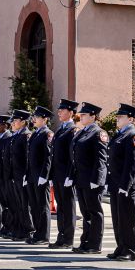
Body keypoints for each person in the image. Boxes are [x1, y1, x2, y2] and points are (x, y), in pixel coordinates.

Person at [106, 103, 135, 262]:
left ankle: (131, 250)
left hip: (130, 185)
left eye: (120, 117)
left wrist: (125, 186)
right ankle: (121, 247)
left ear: (130, 119)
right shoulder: (119, 134)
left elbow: (133, 164)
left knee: (129, 219)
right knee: (118, 218)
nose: (117, 119)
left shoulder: (134, 136)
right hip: (118, 184)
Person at [68, 102, 108, 254]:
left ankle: (94, 244)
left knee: (94, 212)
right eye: (81, 114)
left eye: (84, 115)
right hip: (81, 178)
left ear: (93, 116)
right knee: (85, 212)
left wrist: (97, 180)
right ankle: (85, 241)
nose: (81, 117)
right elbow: (75, 156)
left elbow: (101, 159)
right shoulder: (81, 132)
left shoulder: (98, 133)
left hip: (91, 180)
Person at [49, 99, 79, 249]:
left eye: (63, 110)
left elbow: (72, 157)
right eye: (59, 110)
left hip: (66, 175)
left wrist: (70, 175)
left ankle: (68, 238)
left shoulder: (72, 130)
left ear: (71, 113)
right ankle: (61, 236)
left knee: (68, 207)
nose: (59, 112)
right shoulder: (60, 129)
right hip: (58, 175)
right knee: (60, 208)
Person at [25, 106, 53, 245]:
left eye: (36, 117)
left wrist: (45, 175)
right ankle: (37, 232)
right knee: (35, 205)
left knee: (42, 206)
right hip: (32, 175)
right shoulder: (36, 133)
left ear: (44, 119)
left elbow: (48, 157)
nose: (34, 119)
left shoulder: (47, 134)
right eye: (34, 117)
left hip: (40, 176)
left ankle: (44, 235)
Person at [8, 109, 34, 241]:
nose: (13, 122)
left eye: (15, 120)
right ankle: (20, 229)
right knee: (18, 203)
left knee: (25, 204)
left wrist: (25, 174)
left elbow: (27, 157)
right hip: (15, 174)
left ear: (23, 122)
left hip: (22, 175)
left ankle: (28, 229)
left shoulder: (26, 135)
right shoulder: (17, 135)